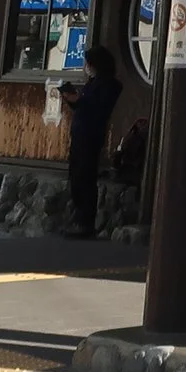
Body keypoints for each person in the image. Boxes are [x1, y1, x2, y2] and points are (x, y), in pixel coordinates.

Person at [65, 44, 124, 238]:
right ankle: (78, 219)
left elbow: (97, 107)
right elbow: (84, 106)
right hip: (81, 132)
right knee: (76, 176)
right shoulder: (93, 83)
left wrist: (79, 101)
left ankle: (85, 222)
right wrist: (72, 100)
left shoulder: (109, 85)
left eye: (88, 63)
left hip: (91, 134)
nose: (86, 66)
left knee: (85, 177)